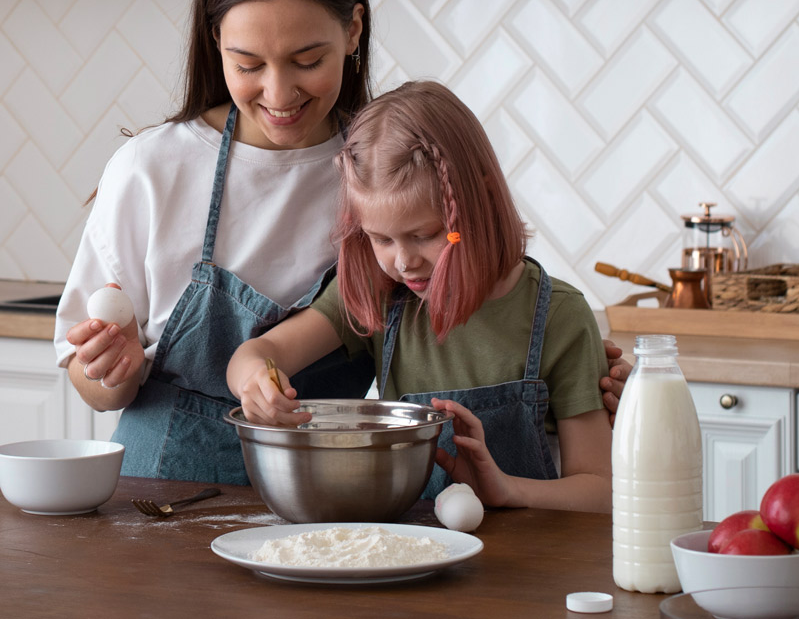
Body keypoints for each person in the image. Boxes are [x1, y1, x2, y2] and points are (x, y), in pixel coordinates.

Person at [55, 0, 629, 486]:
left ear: (353, 31)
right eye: (248, 64)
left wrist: (567, 365)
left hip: (324, 497)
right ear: (216, 42)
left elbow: (475, 323)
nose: (279, 93)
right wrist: (111, 371)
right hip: (163, 492)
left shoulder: (381, 170)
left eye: (308, 61)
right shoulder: (152, 168)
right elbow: (93, 384)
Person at [228, 81, 612, 512]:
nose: (403, 261)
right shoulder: (385, 297)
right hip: (411, 555)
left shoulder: (560, 317)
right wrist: (254, 381)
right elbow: (260, 352)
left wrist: (508, 491)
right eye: (381, 239)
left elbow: (600, 491)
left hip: (528, 568)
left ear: (481, 200)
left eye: (424, 235)